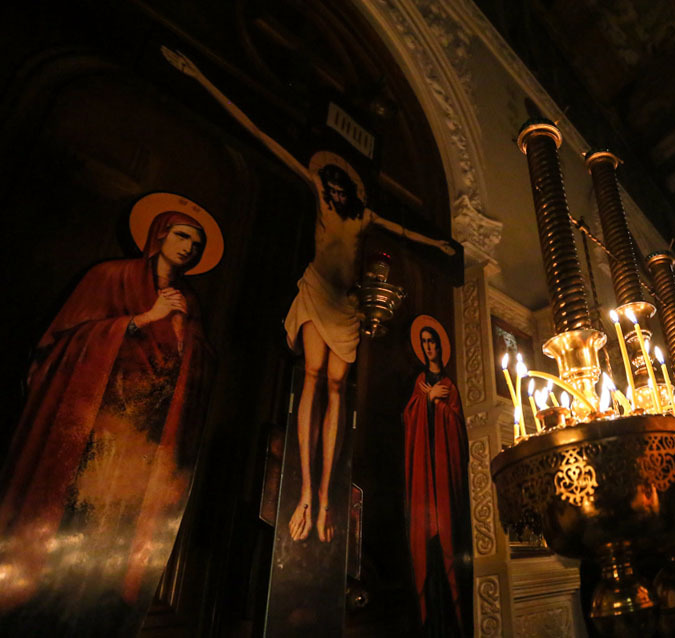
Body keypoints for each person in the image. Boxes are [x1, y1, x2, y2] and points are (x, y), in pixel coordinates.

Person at [162, 46, 456, 544]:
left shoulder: (364, 215)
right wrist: (199, 76)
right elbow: (263, 135)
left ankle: (324, 499)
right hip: (319, 287)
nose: (341, 188)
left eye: (346, 184)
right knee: (313, 378)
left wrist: (444, 246)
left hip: (347, 304)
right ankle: (303, 494)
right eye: (338, 181)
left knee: (338, 389)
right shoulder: (319, 189)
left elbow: (409, 232)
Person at [0, 208, 216, 634]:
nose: (189, 248)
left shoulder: (189, 303)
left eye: (196, 243)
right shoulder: (110, 276)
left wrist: (185, 339)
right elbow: (62, 342)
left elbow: (196, 368)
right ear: (160, 234)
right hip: (92, 420)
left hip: (142, 434)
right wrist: (144, 319)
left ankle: (85, 608)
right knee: (68, 511)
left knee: (112, 528)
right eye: (182, 236)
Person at [401, 320, 470, 635]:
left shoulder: (449, 386)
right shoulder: (420, 383)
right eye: (425, 342)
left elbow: (458, 429)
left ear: (440, 345)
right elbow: (409, 418)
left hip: (443, 470)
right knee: (425, 543)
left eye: (432, 341)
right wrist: (428, 401)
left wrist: (440, 405)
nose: (429, 346)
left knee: (449, 538)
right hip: (423, 471)